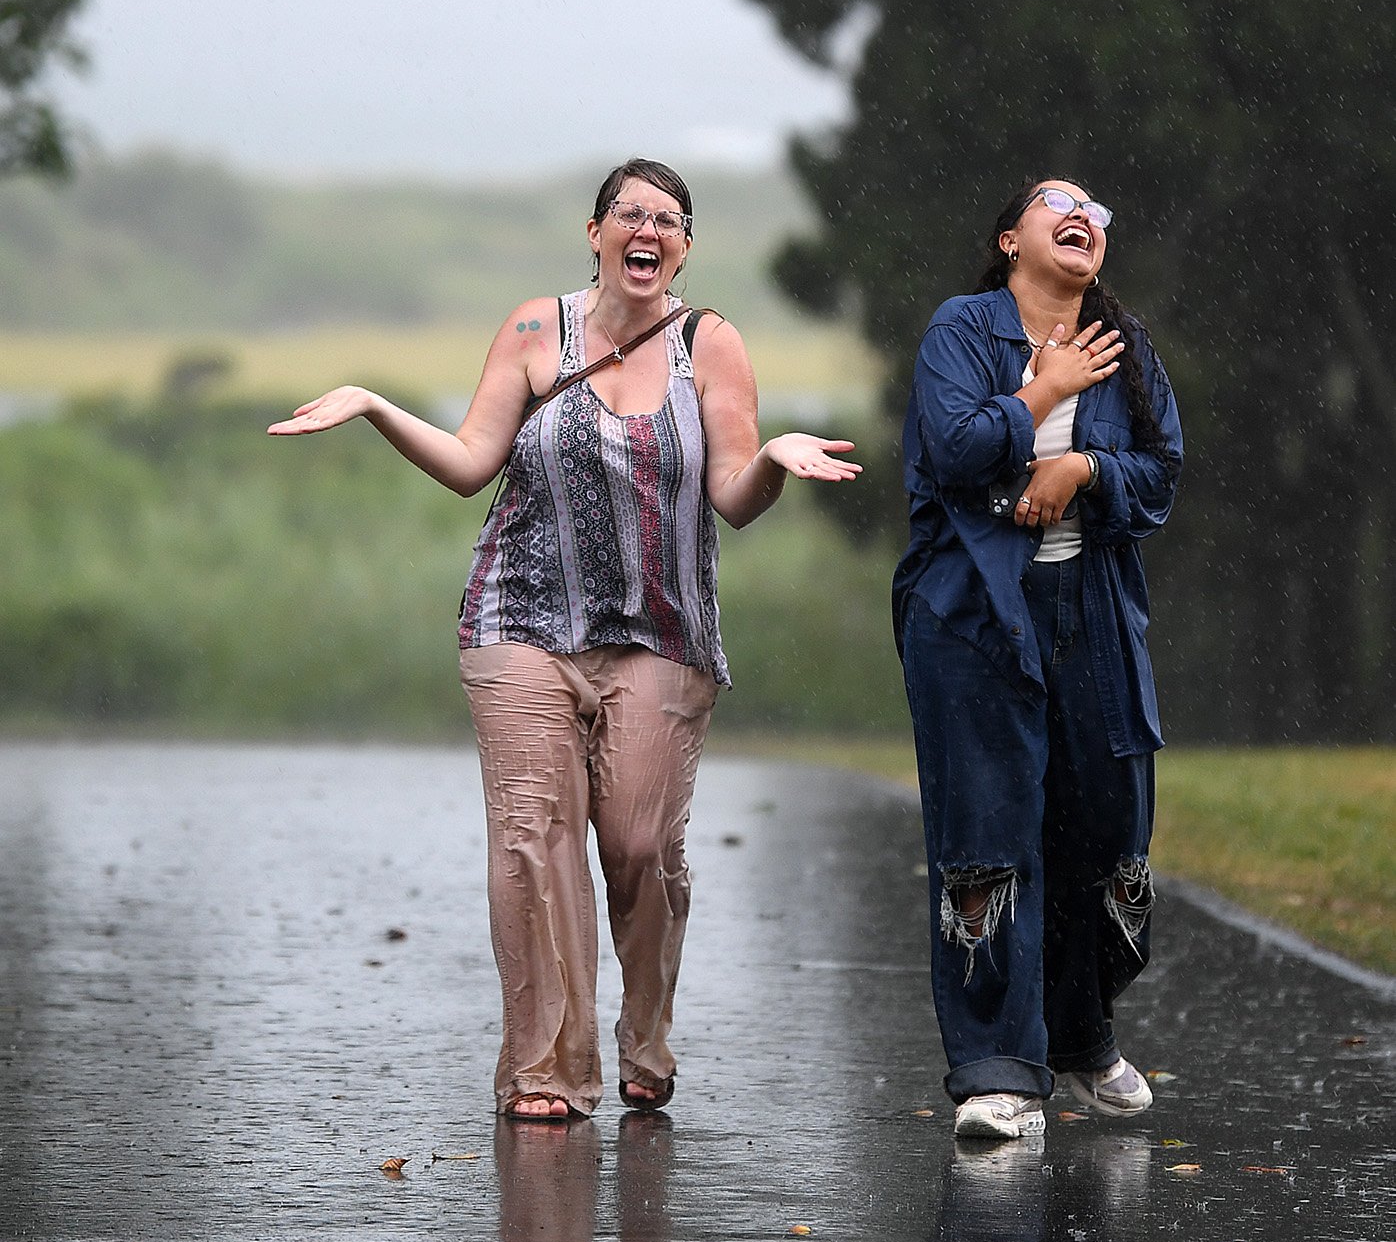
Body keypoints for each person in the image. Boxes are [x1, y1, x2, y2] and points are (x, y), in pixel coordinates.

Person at [269, 157, 859, 1122]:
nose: (650, 231)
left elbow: (732, 496)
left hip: (660, 630)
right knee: (534, 837)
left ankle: (646, 1034)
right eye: (631, 214)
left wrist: (779, 463)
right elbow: (470, 465)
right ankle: (548, 1070)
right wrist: (376, 407)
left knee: (635, 843)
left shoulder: (710, 345)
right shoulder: (534, 328)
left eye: (670, 221)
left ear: (685, 248)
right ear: (596, 233)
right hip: (521, 618)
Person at [893, 178, 1182, 1142]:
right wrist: (1044, 394)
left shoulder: (1123, 343)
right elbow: (955, 448)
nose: (1084, 216)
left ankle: (1081, 1036)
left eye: (1097, 212)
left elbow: (1160, 472)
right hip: (974, 609)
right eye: (1057, 204)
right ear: (1010, 239)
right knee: (989, 835)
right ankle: (997, 1073)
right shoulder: (963, 330)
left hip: (1091, 607)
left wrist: (1083, 469)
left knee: (1108, 828)